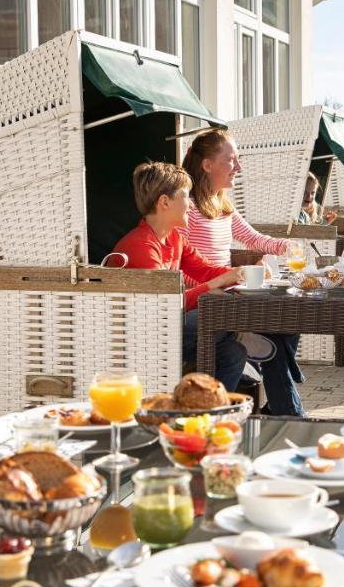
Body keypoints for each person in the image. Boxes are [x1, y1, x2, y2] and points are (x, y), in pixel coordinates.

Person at [182, 129, 306, 416]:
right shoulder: (184, 208)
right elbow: (182, 268)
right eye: (232, 160)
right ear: (207, 165)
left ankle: (281, 406)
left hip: (230, 290)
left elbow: (254, 239)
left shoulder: (222, 205)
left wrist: (286, 246)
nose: (238, 167)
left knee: (287, 321)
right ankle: (285, 410)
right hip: (209, 298)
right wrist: (221, 282)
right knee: (276, 328)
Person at [110, 163, 247, 389]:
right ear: (164, 202)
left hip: (167, 324)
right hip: (142, 333)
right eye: (185, 196)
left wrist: (240, 274)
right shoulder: (140, 246)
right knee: (216, 314)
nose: (191, 205)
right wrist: (215, 284)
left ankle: (209, 416)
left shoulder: (174, 238)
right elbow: (164, 304)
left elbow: (205, 269)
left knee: (233, 354)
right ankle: (241, 333)